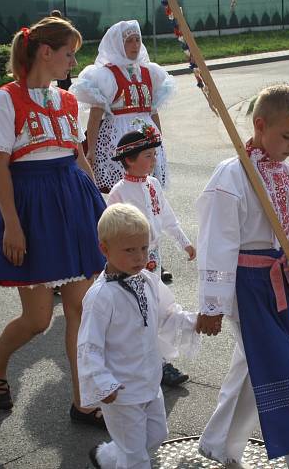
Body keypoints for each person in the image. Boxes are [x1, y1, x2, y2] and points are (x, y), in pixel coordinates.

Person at [195, 85, 289, 467]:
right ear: (260, 125)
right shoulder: (231, 176)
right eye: (286, 135)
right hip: (246, 286)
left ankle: (219, 442)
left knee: (253, 366)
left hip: (278, 283)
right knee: (279, 367)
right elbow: (217, 242)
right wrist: (212, 304)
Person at [0, 16, 107, 427]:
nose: (72, 63)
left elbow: (77, 155)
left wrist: (100, 203)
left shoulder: (66, 100)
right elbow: (0, 169)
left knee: (81, 309)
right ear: (45, 52)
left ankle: (83, 402)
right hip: (33, 210)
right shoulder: (5, 100)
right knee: (38, 320)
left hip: (74, 204)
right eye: (69, 54)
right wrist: (12, 224)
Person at [78, 203, 200, 469]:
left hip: (148, 380)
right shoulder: (101, 297)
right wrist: (101, 382)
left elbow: (167, 315)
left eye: (143, 248)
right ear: (105, 249)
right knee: (136, 459)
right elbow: (89, 344)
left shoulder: (147, 281)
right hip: (120, 390)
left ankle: (106, 457)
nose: (139, 257)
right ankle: (120, 459)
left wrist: (195, 321)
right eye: (130, 250)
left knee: (157, 435)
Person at [107, 122, 196, 387]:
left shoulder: (153, 184)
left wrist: (185, 243)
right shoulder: (119, 193)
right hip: (131, 261)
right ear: (129, 161)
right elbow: (112, 232)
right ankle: (143, 363)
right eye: (148, 156)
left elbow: (167, 218)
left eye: (154, 155)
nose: (154, 160)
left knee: (156, 307)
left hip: (153, 257)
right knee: (137, 310)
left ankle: (160, 362)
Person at [74, 20, 175, 194]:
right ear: (118, 44)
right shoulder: (106, 75)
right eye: (129, 41)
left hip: (148, 139)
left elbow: (153, 111)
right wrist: (91, 149)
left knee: (148, 187)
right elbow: (95, 117)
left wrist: (160, 140)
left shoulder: (150, 72)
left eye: (137, 39)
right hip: (118, 139)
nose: (135, 45)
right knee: (125, 188)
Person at [50, 10, 73, 91]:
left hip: (58, 51)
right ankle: (68, 87)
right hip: (66, 51)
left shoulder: (52, 27)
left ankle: (63, 88)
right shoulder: (64, 25)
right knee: (66, 70)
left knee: (60, 70)